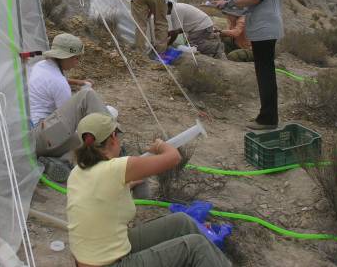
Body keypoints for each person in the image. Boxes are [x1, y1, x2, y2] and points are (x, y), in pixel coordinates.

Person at [67, 113, 232, 267]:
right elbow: (173, 158)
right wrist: (161, 146)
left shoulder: (78, 171)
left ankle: (217, 261)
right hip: (110, 263)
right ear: (112, 138)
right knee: (196, 246)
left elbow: (101, 192)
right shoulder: (116, 168)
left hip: (101, 253)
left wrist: (129, 184)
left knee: (181, 221)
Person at [214, 0, 283, 130]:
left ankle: (268, 119)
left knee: (265, 74)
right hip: (261, 29)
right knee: (263, 73)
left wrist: (229, 2)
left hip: (266, 29)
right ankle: (265, 115)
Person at [28, 33, 112, 162]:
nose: (76, 63)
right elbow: (71, 123)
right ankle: (111, 143)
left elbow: (53, 81)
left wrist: (77, 82)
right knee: (88, 97)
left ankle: (59, 161)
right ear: (63, 57)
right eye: (75, 58)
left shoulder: (40, 66)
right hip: (44, 137)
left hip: (34, 136)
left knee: (83, 141)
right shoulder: (59, 83)